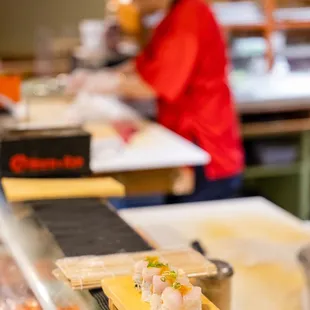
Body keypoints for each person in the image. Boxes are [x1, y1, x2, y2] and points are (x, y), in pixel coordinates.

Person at [67, 0, 244, 204]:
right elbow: (144, 65)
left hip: (205, 143)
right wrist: (102, 76)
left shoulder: (190, 14)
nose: (133, 3)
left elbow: (153, 86)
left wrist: (105, 83)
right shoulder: (170, 19)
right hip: (185, 137)